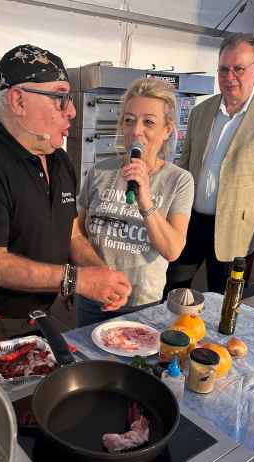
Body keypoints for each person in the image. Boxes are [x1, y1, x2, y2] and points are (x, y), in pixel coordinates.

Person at [0, 44, 131, 355]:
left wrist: (101, 275)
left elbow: (71, 233)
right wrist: (77, 280)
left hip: (36, 317)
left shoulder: (59, 161)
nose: (72, 111)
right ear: (18, 100)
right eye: (60, 97)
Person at [165, 33, 254, 296]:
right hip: (190, 222)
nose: (229, 77)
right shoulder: (201, 112)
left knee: (224, 298)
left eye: (238, 69)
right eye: (223, 69)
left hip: (236, 229)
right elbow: (184, 165)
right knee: (172, 290)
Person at [76, 77, 194, 327]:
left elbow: (172, 250)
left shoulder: (179, 180)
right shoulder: (100, 171)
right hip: (94, 296)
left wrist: (146, 201)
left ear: (167, 130)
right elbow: (78, 232)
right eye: (129, 120)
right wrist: (77, 278)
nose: (136, 130)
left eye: (148, 122)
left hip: (141, 304)